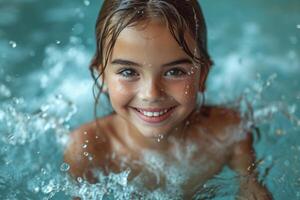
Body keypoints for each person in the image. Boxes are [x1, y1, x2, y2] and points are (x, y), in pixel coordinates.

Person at [64, 0, 272, 199]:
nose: (151, 94)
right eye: (128, 72)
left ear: (203, 76)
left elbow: (252, 190)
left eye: (174, 71)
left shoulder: (228, 133)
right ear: (102, 77)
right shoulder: (89, 149)